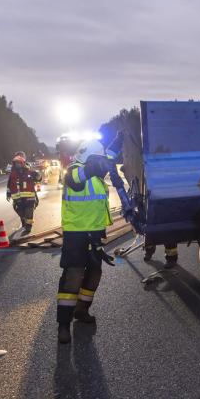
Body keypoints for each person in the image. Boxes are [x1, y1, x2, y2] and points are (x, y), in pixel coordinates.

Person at [56, 135, 134, 344]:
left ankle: (82, 311)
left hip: (95, 232)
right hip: (76, 234)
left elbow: (105, 157)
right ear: (89, 158)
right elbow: (78, 179)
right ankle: (63, 325)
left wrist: (118, 140)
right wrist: (94, 165)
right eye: (97, 160)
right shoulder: (73, 171)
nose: (103, 166)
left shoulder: (95, 167)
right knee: (73, 276)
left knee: (94, 274)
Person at [6, 154, 41, 234]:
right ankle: (24, 224)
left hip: (29, 198)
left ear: (22, 163)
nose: (17, 165)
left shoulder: (30, 172)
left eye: (18, 163)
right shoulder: (12, 174)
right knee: (20, 211)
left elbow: (39, 178)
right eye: (15, 163)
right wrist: (8, 194)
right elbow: (9, 185)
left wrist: (38, 176)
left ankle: (28, 228)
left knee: (29, 212)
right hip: (18, 198)